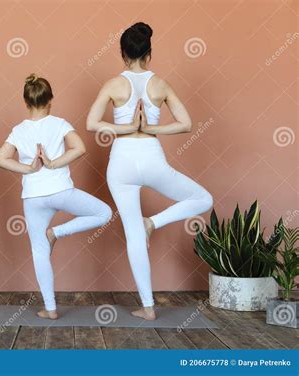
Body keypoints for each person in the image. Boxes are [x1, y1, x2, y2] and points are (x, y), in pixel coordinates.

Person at [86, 22, 213, 320]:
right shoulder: (160, 84)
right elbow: (186, 124)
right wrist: (149, 127)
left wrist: (126, 127)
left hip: (121, 162)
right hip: (152, 158)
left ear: (122, 53)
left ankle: (148, 307)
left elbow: (92, 123)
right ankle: (152, 223)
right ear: (149, 53)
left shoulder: (113, 84)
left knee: (132, 233)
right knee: (202, 199)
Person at [0, 73, 112, 319]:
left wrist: (29, 168)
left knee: (39, 251)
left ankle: (50, 309)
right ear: (50, 100)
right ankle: (56, 233)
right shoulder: (60, 123)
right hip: (61, 191)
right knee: (104, 213)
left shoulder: (18, 130)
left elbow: (1, 159)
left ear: (26, 103)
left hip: (33, 198)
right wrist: (52, 163)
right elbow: (79, 148)